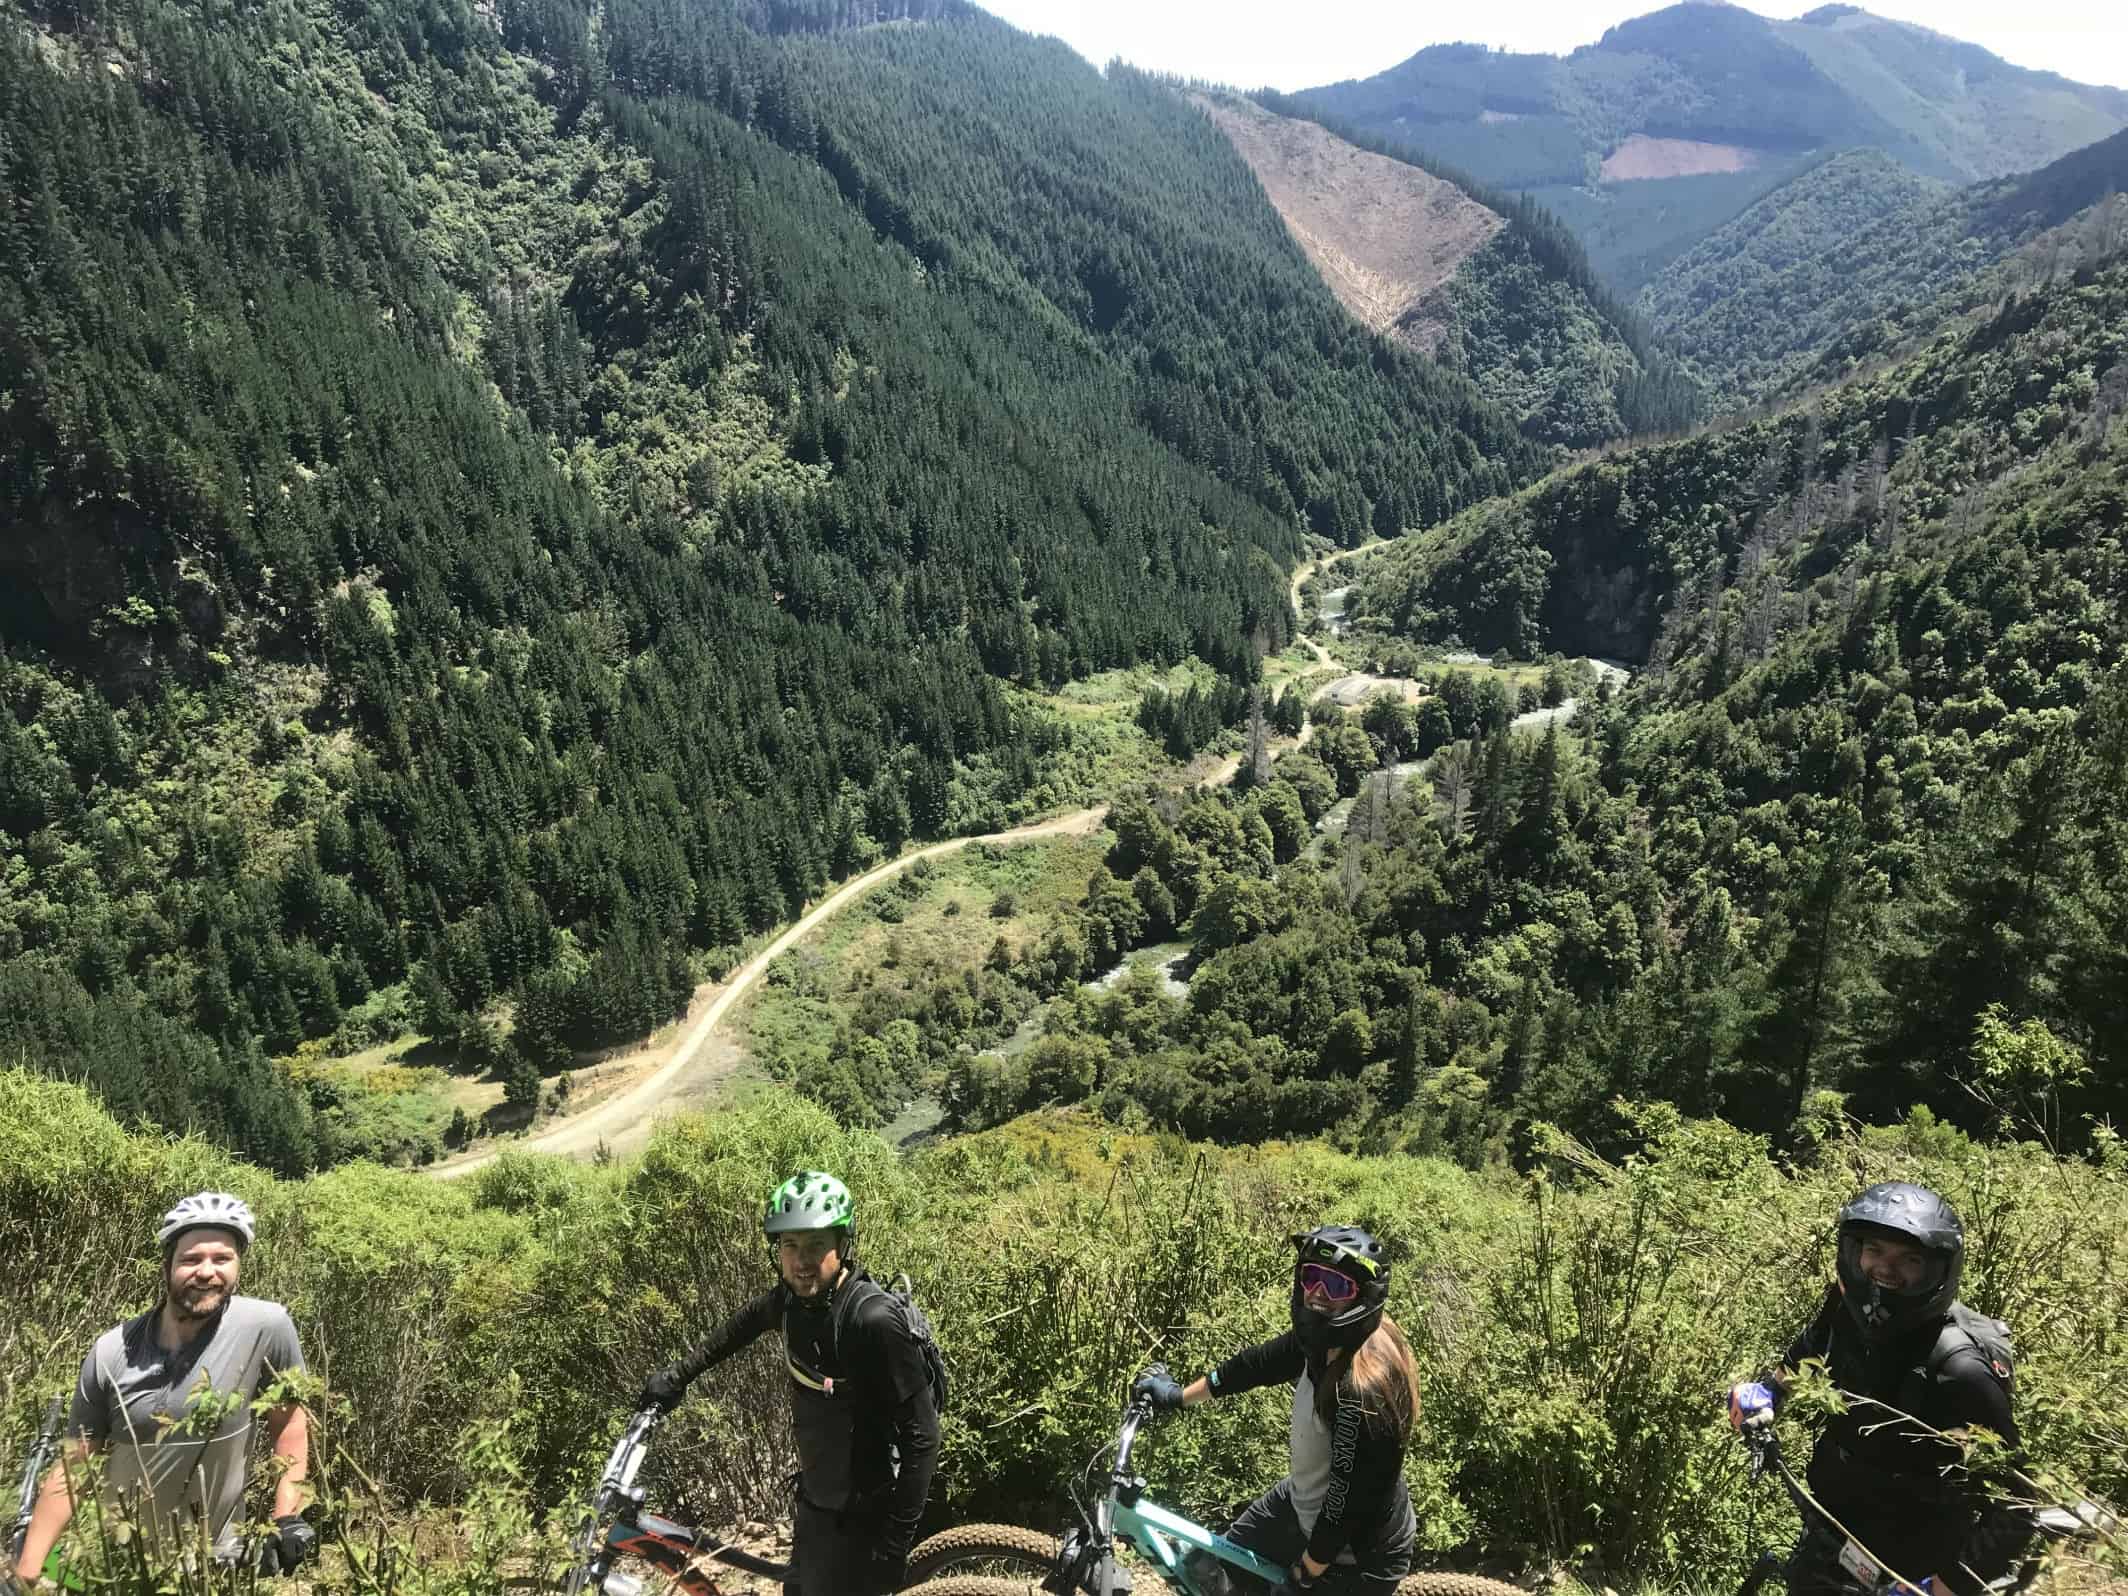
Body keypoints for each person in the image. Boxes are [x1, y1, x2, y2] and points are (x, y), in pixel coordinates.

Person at [638, 1171, 940, 1596]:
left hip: (862, 1516)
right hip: (818, 1500)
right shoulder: (792, 1301)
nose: (801, 1260)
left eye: (816, 1244)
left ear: (842, 1245)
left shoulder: (870, 1320)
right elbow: (740, 1326)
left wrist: (891, 1550)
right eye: (789, 1245)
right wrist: (678, 1376)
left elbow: (923, 1437)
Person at [1727, 1182, 2030, 1596]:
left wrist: (1939, 1588)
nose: (1885, 1269)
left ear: (1938, 1270)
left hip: (1916, 1560)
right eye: (1874, 1251)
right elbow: (1810, 1349)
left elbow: (2018, 1502)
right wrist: (1769, 1393)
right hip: (1832, 1531)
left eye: (1910, 1259)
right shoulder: (1846, 1306)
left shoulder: (1960, 1367)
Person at [10, 1193, 314, 1587]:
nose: (207, 1272)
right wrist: (27, 1573)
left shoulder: (266, 1328)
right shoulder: (112, 1352)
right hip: (115, 1562)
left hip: (214, 1563)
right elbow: (75, 1467)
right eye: (191, 1259)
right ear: (166, 1265)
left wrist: (286, 1518)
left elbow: (290, 1428)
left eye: (222, 1259)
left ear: (238, 1265)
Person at [1132, 1224, 1420, 1593]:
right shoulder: (1318, 1345)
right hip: (1307, 1503)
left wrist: (1306, 1573)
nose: (1316, 1295)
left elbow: (1344, 1508)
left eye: (1335, 1286)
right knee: (1220, 1571)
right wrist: (1176, 1396)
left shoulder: (1363, 1394)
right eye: (1310, 1277)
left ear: (1363, 1297)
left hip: (1356, 1556)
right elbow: (1253, 1367)